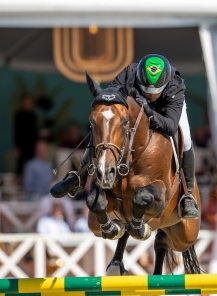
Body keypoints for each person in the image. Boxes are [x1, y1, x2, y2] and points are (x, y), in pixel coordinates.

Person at [50, 54, 199, 219]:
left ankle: (187, 195)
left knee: (186, 141)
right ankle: (80, 177)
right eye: (147, 90)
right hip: (135, 110)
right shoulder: (129, 73)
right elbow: (110, 99)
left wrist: (149, 111)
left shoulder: (175, 86)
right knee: (106, 127)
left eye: (155, 92)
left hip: (165, 112)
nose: (150, 96)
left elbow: (170, 127)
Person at [14, 94, 38, 177]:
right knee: (20, 166)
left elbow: (35, 131)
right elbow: (16, 131)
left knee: (31, 165)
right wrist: (17, 146)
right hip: (22, 144)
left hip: (31, 144)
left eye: (29, 103)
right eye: (25, 103)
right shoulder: (18, 115)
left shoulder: (33, 115)